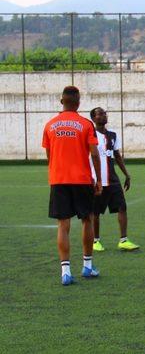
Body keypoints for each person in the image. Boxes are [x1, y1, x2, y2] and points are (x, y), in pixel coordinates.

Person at [42, 86, 102, 285]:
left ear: (61, 101)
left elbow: (49, 155)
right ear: (78, 103)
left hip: (59, 180)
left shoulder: (50, 125)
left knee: (63, 224)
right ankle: (87, 266)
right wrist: (99, 179)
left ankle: (65, 272)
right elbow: (94, 153)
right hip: (81, 179)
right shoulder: (85, 124)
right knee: (87, 219)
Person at [89, 107, 139, 252]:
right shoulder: (90, 135)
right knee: (96, 212)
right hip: (97, 180)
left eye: (105, 113)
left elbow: (116, 155)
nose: (104, 115)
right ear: (93, 118)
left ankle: (123, 240)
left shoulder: (113, 135)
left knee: (122, 207)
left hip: (113, 179)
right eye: (100, 114)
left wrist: (126, 174)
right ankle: (95, 241)